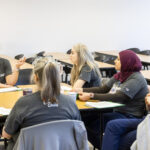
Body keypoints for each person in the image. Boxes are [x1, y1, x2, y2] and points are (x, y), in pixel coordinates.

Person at [75, 49, 148, 149]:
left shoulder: (136, 78)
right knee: (85, 119)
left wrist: (91, 95)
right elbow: (103, 89)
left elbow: (119, 97)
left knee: (107, 124)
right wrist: (81, 90)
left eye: (118, 59)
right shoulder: (120, 75)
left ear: (126, 62)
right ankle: (103, 145)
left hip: (130, 115)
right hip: (118, 112)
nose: (115, 61)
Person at [2, 57, 81, 150]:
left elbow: (6, 134)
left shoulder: (23, 103)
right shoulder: (70, 103)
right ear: (57, 75)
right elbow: (78, 131)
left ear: (35, 77)